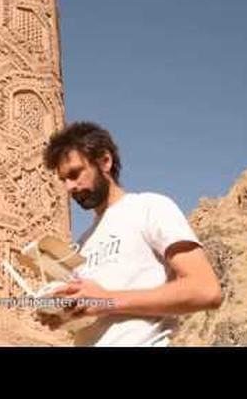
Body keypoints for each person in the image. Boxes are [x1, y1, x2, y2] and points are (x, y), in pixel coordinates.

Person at [36, 121, 223, 346]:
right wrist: (63, 315)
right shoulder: (82, 244)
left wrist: (108, 301)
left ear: (105, 161)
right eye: (63, 179)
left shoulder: (149, 207)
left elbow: (206, 290)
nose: (69, 187)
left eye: (75, 174)